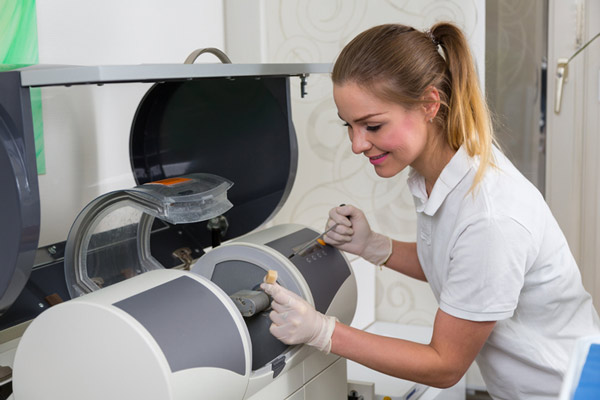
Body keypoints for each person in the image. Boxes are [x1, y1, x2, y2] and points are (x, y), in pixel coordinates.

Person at [260, 21, 600, 399]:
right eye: (349, 126)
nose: (357, 144)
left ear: (429, 104)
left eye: (372, 125)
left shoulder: (490, 215)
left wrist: (324, 332)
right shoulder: (442, 173)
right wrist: (374, 245)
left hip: (566, 390)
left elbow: (445, 365)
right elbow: (459, 268)